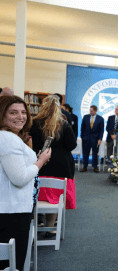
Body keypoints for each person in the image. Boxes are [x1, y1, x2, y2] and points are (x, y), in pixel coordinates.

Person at [0, 95, 51, 270]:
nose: (20, 117)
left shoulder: (8, 137)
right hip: (12, 212)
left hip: (10, 208)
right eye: (13, 112)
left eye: (23, 112)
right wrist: (40, 162)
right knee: (12, 265)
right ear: (2, 115)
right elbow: (19, 179)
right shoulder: (8, 139)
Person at [30, 95, 77, 235]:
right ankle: (51, 227)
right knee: (55, 199)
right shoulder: (63, 124)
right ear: (58, 108)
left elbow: (33, 146)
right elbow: (72, 145)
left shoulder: (35, 123)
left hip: (41, 164)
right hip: (62, 168)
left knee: (38, 195)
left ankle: (37, 220)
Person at [80, 105, 104, 173]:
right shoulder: (86, 117)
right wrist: (82, 137)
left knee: (95, 153)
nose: (90, 112)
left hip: (95, 139)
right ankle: (85, 166)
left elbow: (101, 130)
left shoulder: (100, 119)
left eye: (92, 111)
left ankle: (95, 167)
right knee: (85, 153)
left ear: (95, 111)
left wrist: (100, 139)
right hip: (86, 138)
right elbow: (82, 128)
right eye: (90, 110)